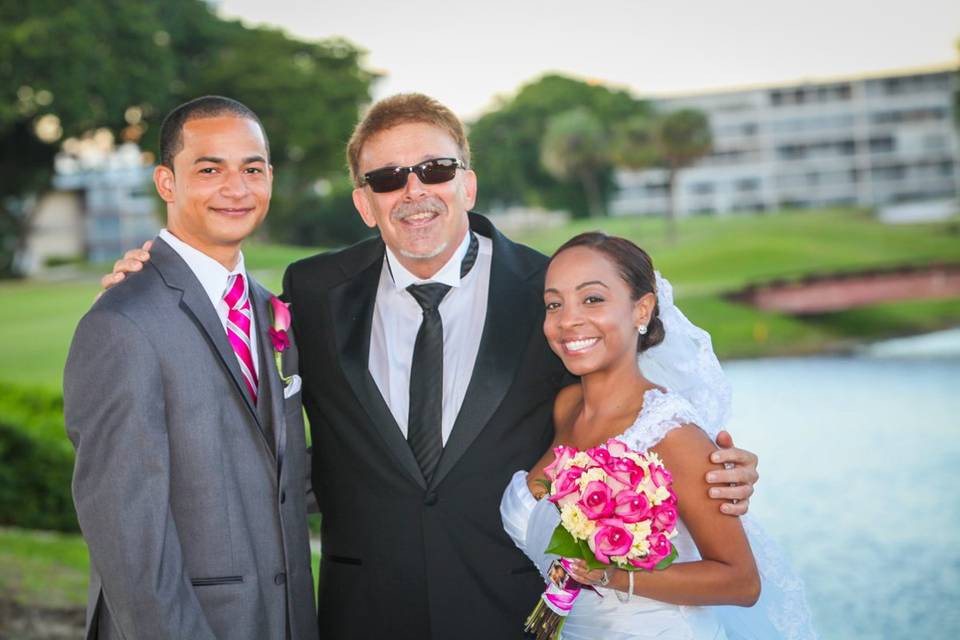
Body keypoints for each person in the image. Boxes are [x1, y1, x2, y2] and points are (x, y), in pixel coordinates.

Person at [103, 93, 760, 639]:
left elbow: (626, 413)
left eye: (435, 170)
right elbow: (220, 351)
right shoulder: (311, 291)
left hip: (516, 616)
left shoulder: (549, 292)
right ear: (364, 201)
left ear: (467, 182)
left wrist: (717, 471)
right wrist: (151, 283)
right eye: (388, 178)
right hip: (361, 614)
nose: (413, 192)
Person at [65, 96, 317, 640]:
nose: (236, 188)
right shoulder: (123, 322)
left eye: (252, 169)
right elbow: (128, 537)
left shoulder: (270, 309)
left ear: (270, 177)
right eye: (209, 169)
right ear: (166, 183)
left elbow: (278, 476)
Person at [500, 232, 817, 639]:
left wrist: (614, 576)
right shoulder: (566, 407)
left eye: (592, 299)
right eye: (554, 304)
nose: (567, 320)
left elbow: (741, 582)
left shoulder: (670, 433)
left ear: (642, 309)